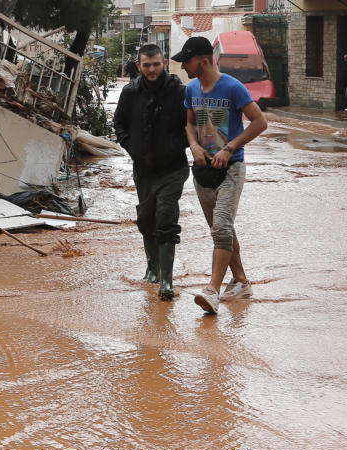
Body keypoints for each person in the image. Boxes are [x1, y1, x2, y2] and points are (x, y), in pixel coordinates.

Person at [173, 36, 268, 315]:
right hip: (203, 171)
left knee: (221, 228)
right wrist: (193, 145)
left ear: (203, 61)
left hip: (232, 169)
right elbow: (190, 124)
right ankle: (240, 281)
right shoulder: (191, 89)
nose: (183, 67)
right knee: (222, 229)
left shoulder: (233, 87)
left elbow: (260, 122)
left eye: (186, 61)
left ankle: (212, 291)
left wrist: (229, 147)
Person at [113, 43, 189, 300]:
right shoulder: (130, 92)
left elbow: (192, 124)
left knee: (166, 217)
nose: (152, 69)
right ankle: (152, 268)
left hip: (173, 168)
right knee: (146, 218)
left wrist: (180, 144)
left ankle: (166, 281)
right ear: (139, 66)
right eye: (147, 65)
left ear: (164, 63)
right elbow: (118, 123)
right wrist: (131, 146)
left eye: (156, 64)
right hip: (143, 168)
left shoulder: (179, 91)